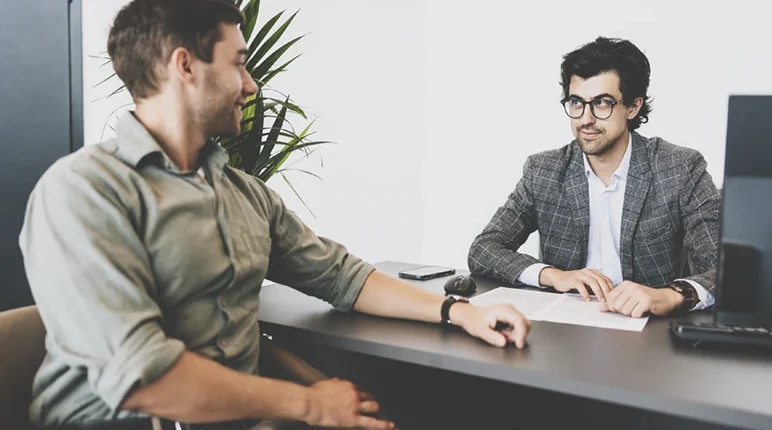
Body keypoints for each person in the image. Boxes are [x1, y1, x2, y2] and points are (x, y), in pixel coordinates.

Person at [18, 1, 530, 429]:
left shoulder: (245, 194)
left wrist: (460, 312)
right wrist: (309, 404)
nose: (251, 86)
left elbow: (341, 276)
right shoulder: (84, 192)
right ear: (185, 66)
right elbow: (143, 379)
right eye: (239, 64)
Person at [468, 36, 720, 318]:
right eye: (577, 102)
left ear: (633, 107)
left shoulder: (680, 169)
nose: (585, 119)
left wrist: (670, 295)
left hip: (650, 331)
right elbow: (484, 249)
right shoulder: (544, 171)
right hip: (565, 329)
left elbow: (725, 269)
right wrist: (552, 275)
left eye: (601, 103)